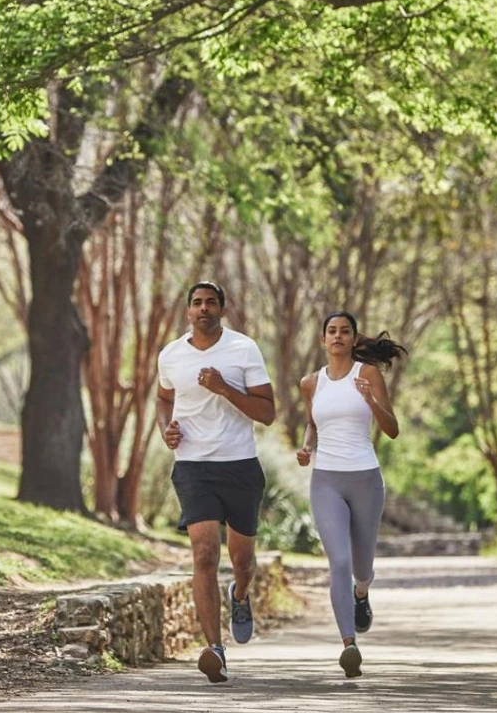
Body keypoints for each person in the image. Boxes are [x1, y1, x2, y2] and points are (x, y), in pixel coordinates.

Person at [157, 281, 276, 684]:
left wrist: (224, 388)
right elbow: (163, 398)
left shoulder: (244, 349)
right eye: (196, 302)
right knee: (205, 554)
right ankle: (215, 650)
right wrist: (166, 428)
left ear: (222, 309)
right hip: (193, 466)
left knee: (242, 561)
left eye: (211, 302)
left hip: (240, 465)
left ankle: (240, 595)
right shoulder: (171, 354)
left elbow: (267, 412)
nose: (203, 308)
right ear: (188, 311)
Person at [296, 310, 406, 678]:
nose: (338, 336)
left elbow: (392, 429)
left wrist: (371, 401)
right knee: (339, 562)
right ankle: (349, 645)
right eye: (332, 331)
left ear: (354, 339)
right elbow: (312, 425)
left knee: (361, 567)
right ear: (323, 340)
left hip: (365, 480)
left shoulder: (368, 374)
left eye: (345, 331)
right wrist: (307, 448)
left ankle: (362, 592)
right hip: (326, 481)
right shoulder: (310, 383)